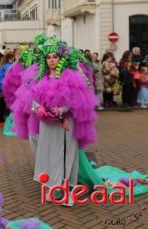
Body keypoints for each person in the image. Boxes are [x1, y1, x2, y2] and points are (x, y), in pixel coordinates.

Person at [11, 35, 98, 206]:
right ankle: (53, 189)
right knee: (49, 154)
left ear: (61, 58)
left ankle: (65, 190)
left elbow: (77, 100)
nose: (52, 60)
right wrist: (39, 110)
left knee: (66, 153)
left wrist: (62, 110)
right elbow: (33, 101)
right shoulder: (40, 79)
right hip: (46, 125)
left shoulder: (71, 76)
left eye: (55, 57)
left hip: (65, 124)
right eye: (48, 57)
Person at [0, 53, 15, 126]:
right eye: (12, 58)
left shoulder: (2, 66)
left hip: (1, 86)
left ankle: (1, 118)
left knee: (2, 103)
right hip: (6, 87)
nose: (13, 60)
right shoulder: (8, 66)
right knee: (7, 103)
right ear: (9, 59)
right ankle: (7, 118)